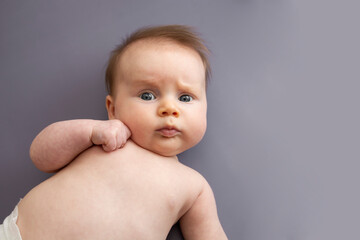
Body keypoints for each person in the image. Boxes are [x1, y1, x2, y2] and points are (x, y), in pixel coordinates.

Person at [0, 25, 227, 240]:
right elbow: (40, 156)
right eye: (148, 95)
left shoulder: (195, 187)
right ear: (113, 109)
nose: (170, 108)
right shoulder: (105, 138)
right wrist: (91, 131)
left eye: (185, 98)